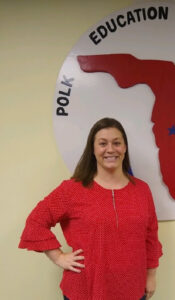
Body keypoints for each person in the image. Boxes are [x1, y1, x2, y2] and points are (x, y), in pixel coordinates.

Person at [19, 117, 163, 300]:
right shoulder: (72, 190)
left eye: (116, 143)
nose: (110, 149)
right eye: (103, 143)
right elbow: (36, 222)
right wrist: (58, 257)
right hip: (84, 290)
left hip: (132, 290)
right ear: (93, 150)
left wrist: (151, 275)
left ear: (125, 148)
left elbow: (151, 236)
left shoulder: (142, 190)